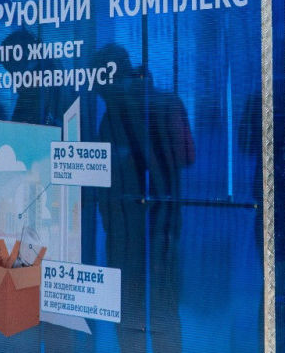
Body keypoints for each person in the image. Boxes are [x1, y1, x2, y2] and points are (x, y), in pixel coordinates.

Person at [92, 44, 195, 353]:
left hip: (126, 229)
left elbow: (104, 177)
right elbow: (187, 156)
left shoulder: (112, 114)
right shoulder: (168, 102)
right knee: (163, 308)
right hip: (164, 224)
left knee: (128, 308)